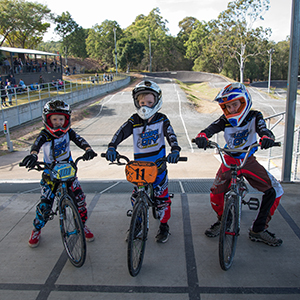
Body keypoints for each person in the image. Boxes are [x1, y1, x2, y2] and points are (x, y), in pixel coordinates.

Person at [194, 82, 284, 246]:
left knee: (275, 191)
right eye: (227, 106)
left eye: (235, 104)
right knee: (215, 193)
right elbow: (211, 128)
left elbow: (263, 129)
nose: (232, 110)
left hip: (247, 160)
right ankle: (223, 221)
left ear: (244, 102)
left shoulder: (255, 116)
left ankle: (258, 229)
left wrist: (267, 137)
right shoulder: (224, 119)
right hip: (229, 160)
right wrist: (203, 136)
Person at [105, 80, 182, 243]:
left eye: (149, 102)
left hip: (158, 166)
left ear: (157, 102)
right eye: (141, 102)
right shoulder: (134, 120)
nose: (145, 106)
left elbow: (171, 135)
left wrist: (175, 150)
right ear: (136, 103)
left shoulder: (162, 119)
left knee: (162, 200)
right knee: (135, 198)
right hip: (139, 167)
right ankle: (137, 224)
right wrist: (112, 147)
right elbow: (121, 132)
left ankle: (163, 226)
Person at [20, 99, 97, 248]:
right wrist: (33, 155)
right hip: (50, 174)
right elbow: (36, 144)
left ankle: (81, 225)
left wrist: (88, 150)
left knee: (80, 200)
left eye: (61, 119)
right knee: (45, 206)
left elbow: (79, 140)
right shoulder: (45, 134)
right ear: (47, 119)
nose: (58, 123)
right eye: (54, 119)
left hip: (68, 171)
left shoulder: (69, 132)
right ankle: (36, 229)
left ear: (66, 119)